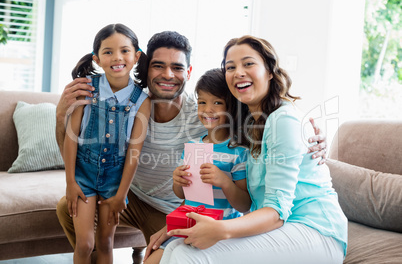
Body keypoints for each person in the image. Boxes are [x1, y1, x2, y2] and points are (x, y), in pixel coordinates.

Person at [55, 31, 328, 262]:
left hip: (168, 207)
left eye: (177, 67)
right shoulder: (131, 105)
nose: (167, 75)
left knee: (168, 255)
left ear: (189, 72)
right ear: (145, 68)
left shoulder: (203, 114)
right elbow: (80, 149)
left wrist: (308, 131)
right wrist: (60, 117)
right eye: (158, 66)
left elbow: (257, 122)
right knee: (69, 207)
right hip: (130, 196)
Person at [160, 35, 348, 264]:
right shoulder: (248, 121)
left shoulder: (283, 120)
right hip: (281, 226)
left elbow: (277, 212)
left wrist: (221, 229)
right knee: (174, 249)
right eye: (231, 67)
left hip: (315, 230)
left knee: (186, 255)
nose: (238, 72)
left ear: (269, 70)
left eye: (248, 64)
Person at [63, 23, 151, 263]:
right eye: (108, 52)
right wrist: (70, 182)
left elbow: (134, 151)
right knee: (85, 243)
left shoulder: (142, 100)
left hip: (115, 177)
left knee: (105, 242)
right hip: (83, 174)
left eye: (124, 50)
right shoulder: (86, 88)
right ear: (97, 59)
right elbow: (70, 138)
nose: (117, 57)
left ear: (136, 56)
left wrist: (122, 193)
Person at [145, 68, 251, 264]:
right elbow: (183, 195)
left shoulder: (238, 152)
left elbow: (244, 204)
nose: (207, 110)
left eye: (217, 103)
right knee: (150, 261)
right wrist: (177, 181)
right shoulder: (194, 146)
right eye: (202, 102)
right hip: (187, 224)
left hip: (219, 231)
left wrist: (225, 182)